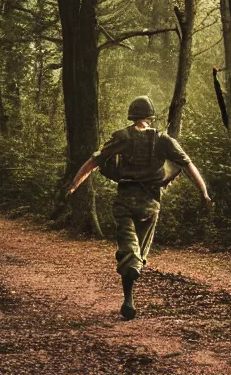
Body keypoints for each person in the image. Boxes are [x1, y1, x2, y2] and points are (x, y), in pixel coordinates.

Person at [67, 96, 211, 320]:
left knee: (127, 249)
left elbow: (94, 161)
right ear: (150, 117)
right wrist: (203, 192)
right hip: (150, 203)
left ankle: (129, 298)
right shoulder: (164, 140)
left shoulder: (122, 137)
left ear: (132, 115)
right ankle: (132, 282)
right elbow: (187, 164)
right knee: (138, 253)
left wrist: (74, 185)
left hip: (125, 199)